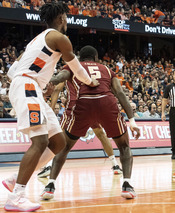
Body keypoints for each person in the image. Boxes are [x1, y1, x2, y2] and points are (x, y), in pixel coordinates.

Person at [2, 2, 99, 212]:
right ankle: (16, 196)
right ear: (62, 17)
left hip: (30, 86)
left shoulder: (36, 40)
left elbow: (12, 72)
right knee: (40, 141)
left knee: (58, 141)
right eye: (66, 17)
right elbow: (77, 69)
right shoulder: (60, 38)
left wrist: (38, 83)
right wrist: (91, 82)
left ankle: (14, 180)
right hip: (28, 87)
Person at [41, 45, 140, 200]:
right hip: (106, 103)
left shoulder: (74, 66)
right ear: (95, 58)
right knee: (124, 146)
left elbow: (60, 78)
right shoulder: (107, 69)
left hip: (83, 104)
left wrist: (45, 82)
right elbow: (119, 93)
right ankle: (127, 185)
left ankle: (50, 186)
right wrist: (132, 120)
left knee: (64, 147)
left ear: (80, 58)